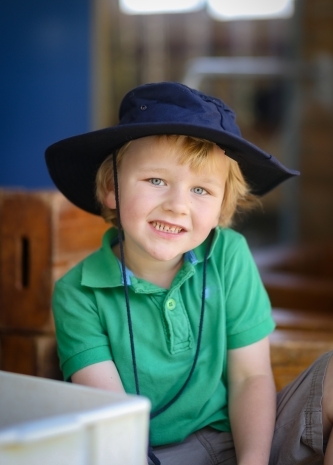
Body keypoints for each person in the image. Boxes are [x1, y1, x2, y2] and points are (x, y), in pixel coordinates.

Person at [45, 82, 333, 465]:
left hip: (242, 439)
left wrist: (253, 461)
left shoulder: (229, 255)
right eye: (156, 181)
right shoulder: (78, 292)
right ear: (112, 188)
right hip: (146, 454)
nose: (177, 205)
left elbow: (250, 378)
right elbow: (113, 421)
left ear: (221, 207)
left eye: (200, 190)